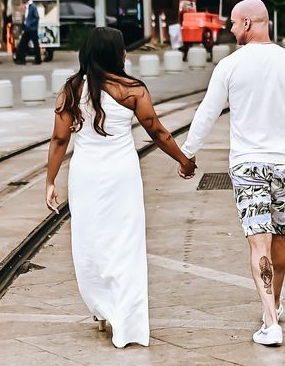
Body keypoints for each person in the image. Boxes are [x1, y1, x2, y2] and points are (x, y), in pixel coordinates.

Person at [184, 0, 285, 347]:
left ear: (248, 23)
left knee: (258, 241)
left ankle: (270, 322)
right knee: (279, 238)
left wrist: (187, 154)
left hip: (248, 165)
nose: (230, 29)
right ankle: (274, 305)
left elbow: (207, 113)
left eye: (233, 23)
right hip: (284, 164)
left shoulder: (230, 66)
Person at [44, 27, 194, 348]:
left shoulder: (71, 90)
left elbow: (59, 139)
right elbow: (158, 131)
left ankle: (102, 309)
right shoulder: (133, 90)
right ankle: (126, 319)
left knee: (90, 242)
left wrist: (50, 181)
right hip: (121, 176)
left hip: (85, 176)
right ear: (116, 54)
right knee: (125, 244)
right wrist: (183, 160)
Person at [14, 0, 42, 64]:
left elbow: (36, 17)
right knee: (23, 44)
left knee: (34, 44)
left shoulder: (33, 6)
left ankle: (37, 59)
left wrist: (29, 24)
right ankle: (21, 59)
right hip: (27, 29)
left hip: (32, 29)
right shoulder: (27, 6)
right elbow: (25, 16)